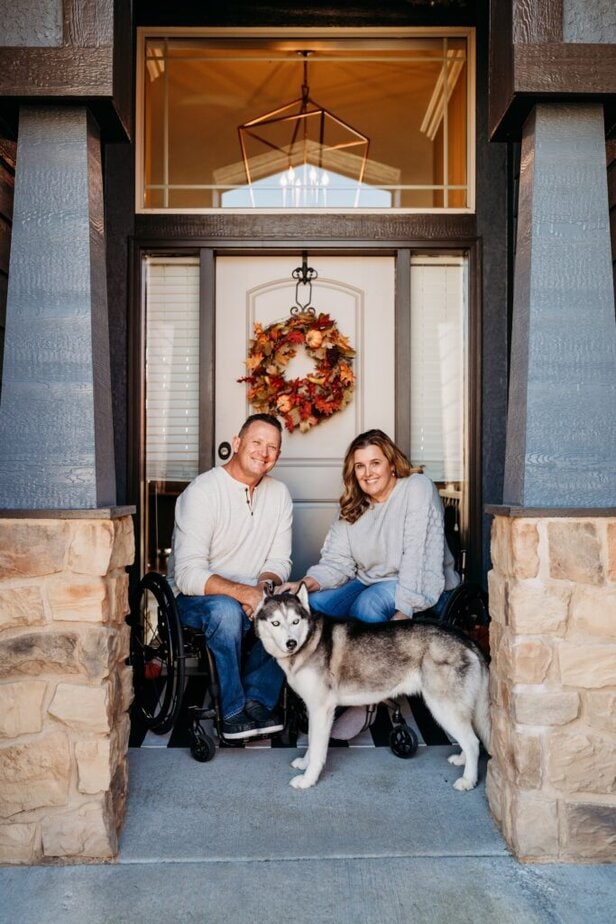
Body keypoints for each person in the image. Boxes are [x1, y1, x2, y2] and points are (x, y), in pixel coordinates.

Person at [279, 428, 459, 738]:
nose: (367, 473)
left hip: (417, 581)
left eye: (375, 463)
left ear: (391, 463)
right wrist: (305, 584)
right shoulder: (355, 504)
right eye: (359, 466)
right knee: (312, 607)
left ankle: (366, 699)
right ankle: (314, 686)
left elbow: (419, 554)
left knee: (368, 604)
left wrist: (405, 611)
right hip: (369, 579)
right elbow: (338, 561)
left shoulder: (416, 488)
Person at [167, 413, 293, 741]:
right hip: (196, 599)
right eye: (256, 443)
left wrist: (261, 591)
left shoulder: (279, 494)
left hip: (252, 592)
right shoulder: (203, 492)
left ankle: (258, 700)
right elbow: (188, 574)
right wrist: (244, 594)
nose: (264, 452)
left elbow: (279, 561)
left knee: (289, 608)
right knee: (225, 610)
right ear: (237, 444)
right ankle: (232, 710)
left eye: (273, 447)